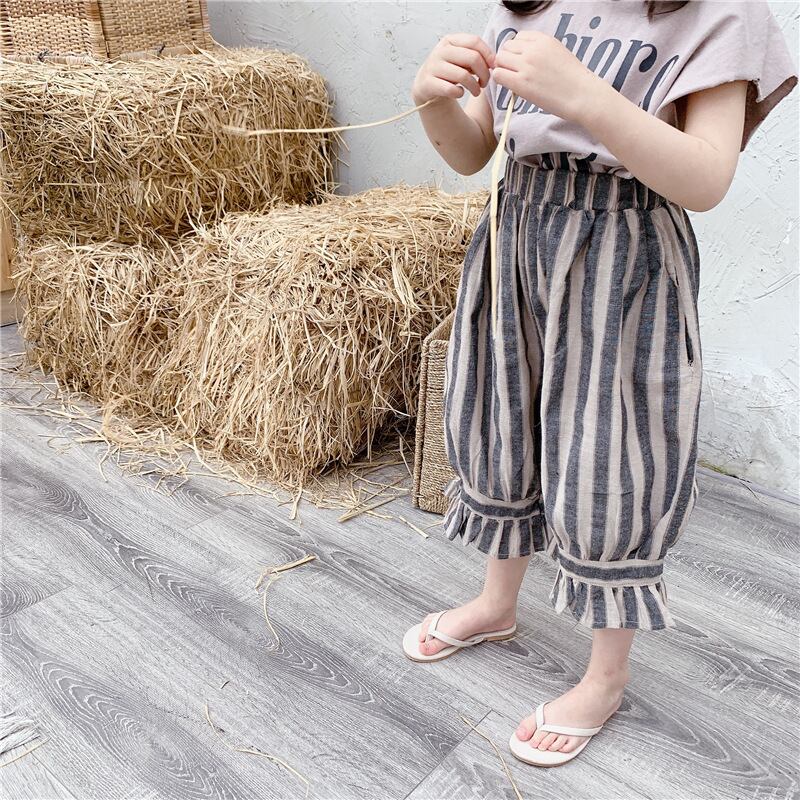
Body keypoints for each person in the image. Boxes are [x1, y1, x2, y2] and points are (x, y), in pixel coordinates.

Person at [401, 0, 797, 767]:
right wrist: (431, 99)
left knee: (610, 455)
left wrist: (586, 95)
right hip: (517, 233)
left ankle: (606, 675)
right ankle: (496, 602)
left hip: (625, 252)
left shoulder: (721, 14)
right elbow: (475, 150)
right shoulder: (529, 4)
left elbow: (705, 177)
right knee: (504, 416)